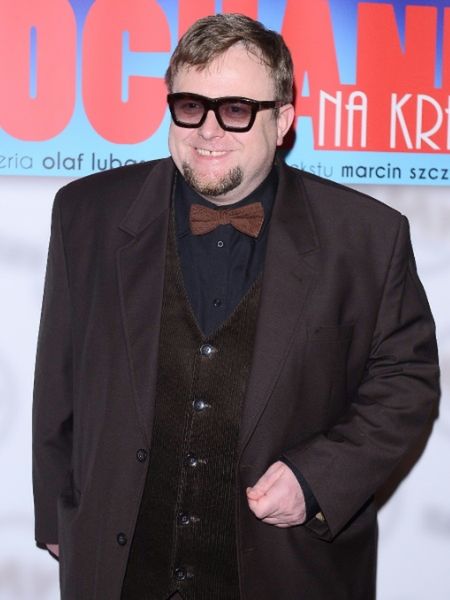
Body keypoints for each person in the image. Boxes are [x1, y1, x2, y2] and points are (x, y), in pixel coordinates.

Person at [32, 13, 439, 600]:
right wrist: (58, 515)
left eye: (236, 110)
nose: (209, 130)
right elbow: (58, 376)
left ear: (283, 121)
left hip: (288, 571)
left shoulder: (367, 237)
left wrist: (316, 479)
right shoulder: (86, 212)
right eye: (190, 106)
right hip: (118, 569)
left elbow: (407, 381)